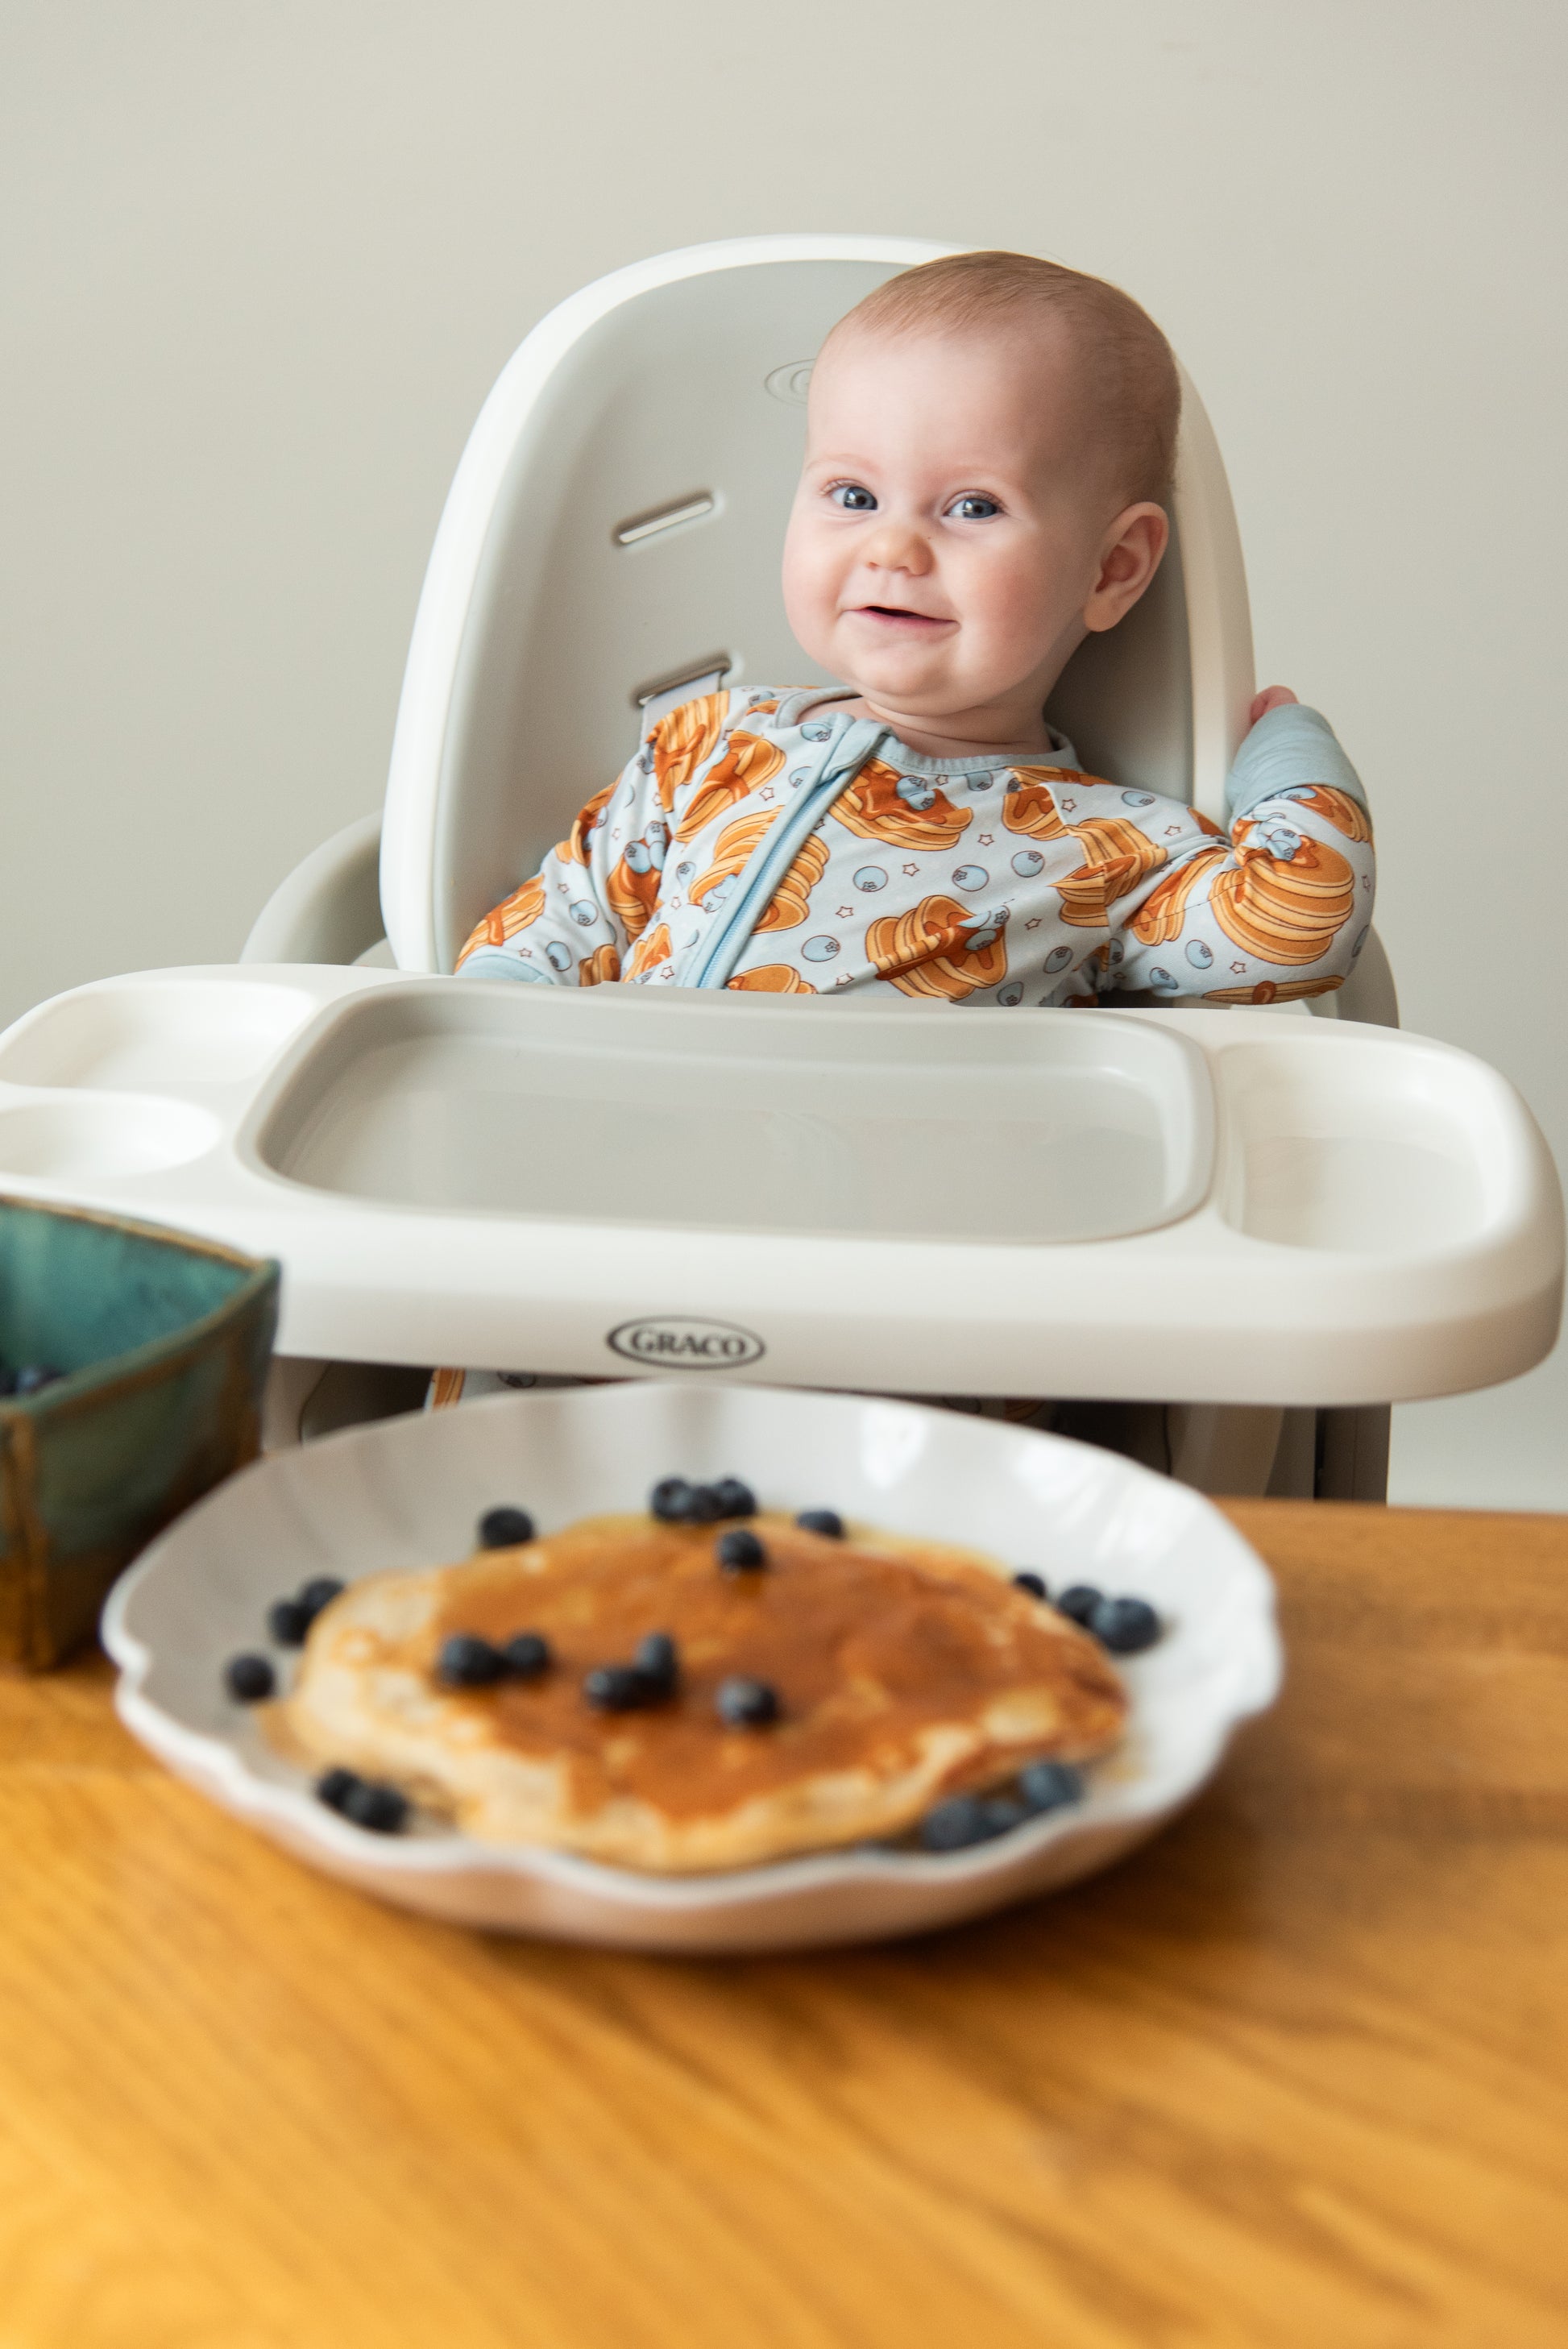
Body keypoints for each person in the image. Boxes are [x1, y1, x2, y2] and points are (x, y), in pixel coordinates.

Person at [454, 249, 1374, 1011]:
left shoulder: (1111, 849)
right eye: (853, 496)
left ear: (1111, 569)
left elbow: (1297, 925)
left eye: (973, 507)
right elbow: (568, 917)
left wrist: (1287, 744)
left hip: (897, 1175)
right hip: (630, 1136)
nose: (892, 547)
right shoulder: (706, 743)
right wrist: (491, 1029)